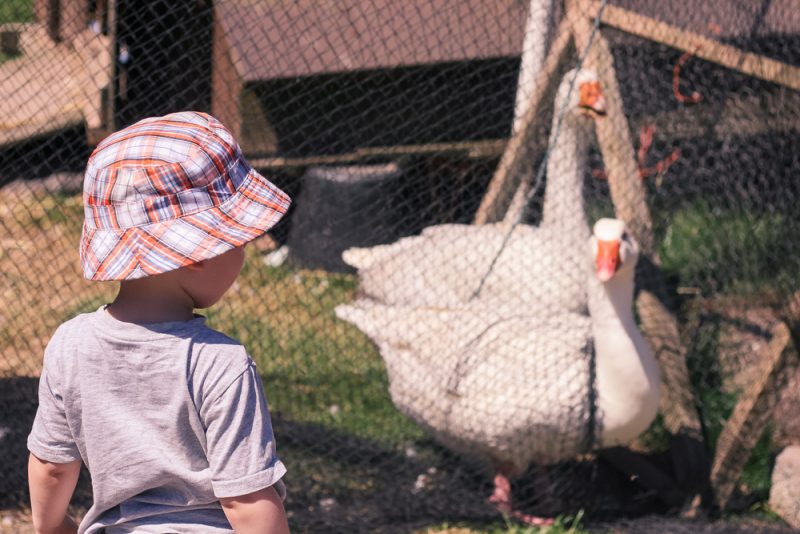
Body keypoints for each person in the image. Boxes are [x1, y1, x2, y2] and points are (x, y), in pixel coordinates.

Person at [27, 111, 292, 534]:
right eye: (239, 241)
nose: (244, 254)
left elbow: (52, 466)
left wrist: (52, 527)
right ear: (201, 253)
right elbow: (247, 502)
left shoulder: (69, 344)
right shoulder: (220, 363)